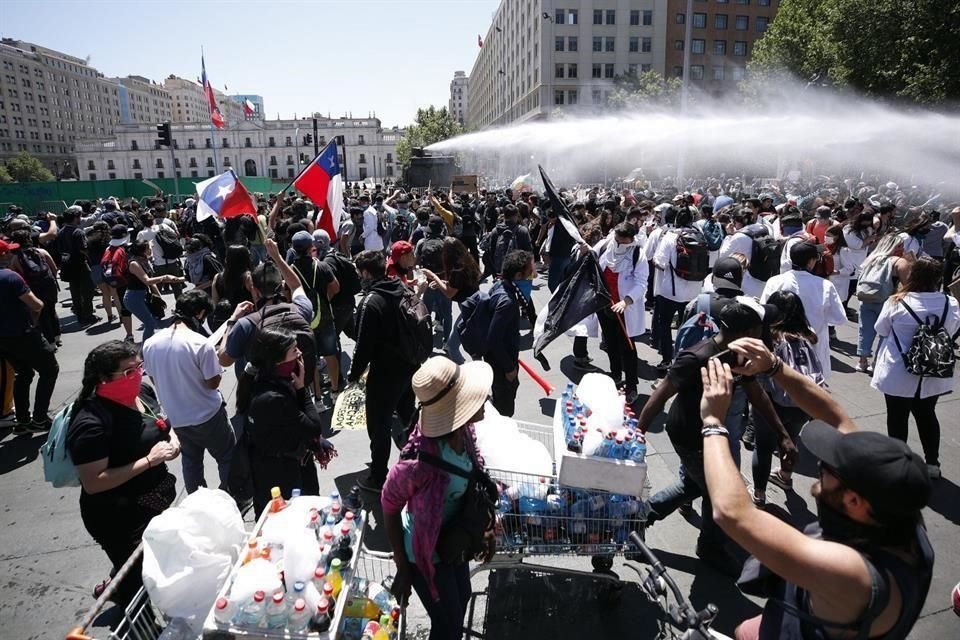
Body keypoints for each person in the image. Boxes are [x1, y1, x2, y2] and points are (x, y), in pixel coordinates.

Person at [699, 341, 934, 640]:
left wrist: (713, 422)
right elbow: (834, 416)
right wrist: (774, 367)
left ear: (854, 500)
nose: (817, 473)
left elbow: (733, 514)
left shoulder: (853, 574)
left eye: (825, 471)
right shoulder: (900, 509)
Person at [639, 299, 796, 576]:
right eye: (759, 331)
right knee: (717, 490)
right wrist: (637, 434)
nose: (763, 337)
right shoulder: (697, 356)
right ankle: (709, 546)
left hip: (712, 434)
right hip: (689, 435)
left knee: (692, 485)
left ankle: (635, 520)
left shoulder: (737, 355)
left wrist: (782, 433)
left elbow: (756, 393)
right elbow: (660, 394)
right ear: (746, 331)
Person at [381, 357, 496, 640]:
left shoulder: (464, 433)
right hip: (425, 554)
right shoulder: (419, 464)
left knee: (463, 596)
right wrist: (403, 567)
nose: (485, 399)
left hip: (451, 541)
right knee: (450, 623)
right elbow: (388, 505)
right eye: (475, 398)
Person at [66, 340, 180, 604]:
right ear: (103, 378)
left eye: (139, 366)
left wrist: (173, 438)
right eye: (128, 371)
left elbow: (160, 421)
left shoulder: (142, 391)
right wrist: (150, 461)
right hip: (119, 516)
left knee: (154, 560)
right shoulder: (90, 423)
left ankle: (114, 583)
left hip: (154, 501)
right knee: (137, 583)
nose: (138, 374)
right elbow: (94, 482)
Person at [871, 257, 959, 480]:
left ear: (912, 275)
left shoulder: (896, 301)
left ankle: (899, 462)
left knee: (897, 418)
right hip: (933, 370)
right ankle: (932, 463)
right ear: (939, 278)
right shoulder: (951, 303)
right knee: (927, 415)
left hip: (899, 371)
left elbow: (880, 329)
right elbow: (953, 328)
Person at [143, 290, 236, 494]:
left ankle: (196, 497)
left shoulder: (150, 344)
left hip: (177, 417)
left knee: (191, 461)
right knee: (227, 455)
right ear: (200, 313)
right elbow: (213, 383)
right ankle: (231, 493)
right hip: (208, 415)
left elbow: (153, 378)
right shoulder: (199, 344)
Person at [348, 250, 418, 492]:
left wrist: (353, 375)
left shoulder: (371, 302)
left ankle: (378, 476)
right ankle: (414, 463)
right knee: (408, 419)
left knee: (379, 426)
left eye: (359, 273)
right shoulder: (403, 289)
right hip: (409, 368)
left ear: (366, 273)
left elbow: (363, 346)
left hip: (384, 374)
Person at [246, 327, 332, 516]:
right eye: (294, 351)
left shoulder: (270, 380)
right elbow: (313, 428)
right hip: (282, 474)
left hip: (293, 460)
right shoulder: (273, 397)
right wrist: (302, 389)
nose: (300, 354)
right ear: (277, 360)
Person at [751, 291, 823, 505]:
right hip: (802, 401)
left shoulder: (771, 337)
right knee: (790, 439)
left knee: (763, 446)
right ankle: (785, 476)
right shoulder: (808, 335)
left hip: (772, 401)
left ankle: (759, 493)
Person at [760, 242, 847, 380]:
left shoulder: (775, 281)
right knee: (813, 387)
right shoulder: (824, 285)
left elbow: (764, 310)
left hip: (781, 344)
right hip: (814, 345)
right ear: (811, 261)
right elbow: (839, 318)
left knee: (781, 384)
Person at [0, 238, 60, 433]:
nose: (11, 255)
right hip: (23, 333)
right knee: (50, 369)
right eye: (8, 252)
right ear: (3, 255)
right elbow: (37, 304)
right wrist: (33, 321)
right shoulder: (10, 277)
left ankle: (23, 420)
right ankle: (40, 418)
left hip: (4, 339)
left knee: (23, 373)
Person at [596, 222, 648, 404]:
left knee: (628, 348)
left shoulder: (637, 255)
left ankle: (632, 385)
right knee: (610, 343)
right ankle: (616, 375)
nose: (618, 244)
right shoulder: (605, 247)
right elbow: (592, 260)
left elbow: (642, 283)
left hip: (625, 309)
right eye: (617, 239)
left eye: (622, 241)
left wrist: (626, 301)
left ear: (631, 239)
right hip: (605, 306)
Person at [482, 250, 534, 417]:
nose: (533, 276)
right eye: (530, 273)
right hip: (501, 363)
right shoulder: (507, 302)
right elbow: (493, 339)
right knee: (504, 409)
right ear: (518, 275)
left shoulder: (500, 286)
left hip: (499, 359)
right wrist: (509, 367)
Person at [652, 209, 705, 367]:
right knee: (690, 326)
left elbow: (659, 262)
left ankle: (667, 359)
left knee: (665, 325)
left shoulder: (670, 236)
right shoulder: (700, 235)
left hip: (671, 291)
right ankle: (687, 360)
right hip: (695, 292)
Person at [854, 234, 911, 372]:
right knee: (885, 333)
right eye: (901, 246)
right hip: (886, 301)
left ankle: (862, 361)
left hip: (866, 298)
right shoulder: (898, 262)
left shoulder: (871, 258)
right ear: (896, 247)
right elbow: (908, 285)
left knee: (865, 330)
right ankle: (876, 362)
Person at [421, 237, 481, 366]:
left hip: (471, 308)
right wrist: (443, 282)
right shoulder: (466, 261)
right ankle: (475, 371)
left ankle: (467, 374)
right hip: (473, 305)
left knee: (452, 347)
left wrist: (434, 277)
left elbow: (449, 293)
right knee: (471, 348)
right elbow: (458, 285)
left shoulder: (458, 268)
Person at [124, 240, 182, 343]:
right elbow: (146, 280)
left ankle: (150, 345)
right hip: (133, 298)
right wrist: (164, 277)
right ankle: (146, 350)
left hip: (143, 295)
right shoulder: (134, 263)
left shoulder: (144, 260)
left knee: (152, 322)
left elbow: (151, 281)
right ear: (143, 250)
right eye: (149, 248)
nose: (151, 249)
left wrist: (159, 297)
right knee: (149, 323)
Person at [56, 205, 98, 324]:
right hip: (80, 265)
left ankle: (80, 315)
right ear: (75, 218)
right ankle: (88, 316)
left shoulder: (61, 231)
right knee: (87, 291)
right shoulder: (78, 232)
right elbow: (83, 249)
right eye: (79, 216)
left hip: (68, 265)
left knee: (75, 292)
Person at [137, 205, 184, 298]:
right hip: (172, 261)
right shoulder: (163, 226)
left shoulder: (142, 234)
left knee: (156, 290)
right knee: (177, 289)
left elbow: (139, 248)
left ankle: (157, 309)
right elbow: (176, 235)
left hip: (156, 265)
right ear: (153, 219)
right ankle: (180, 309)